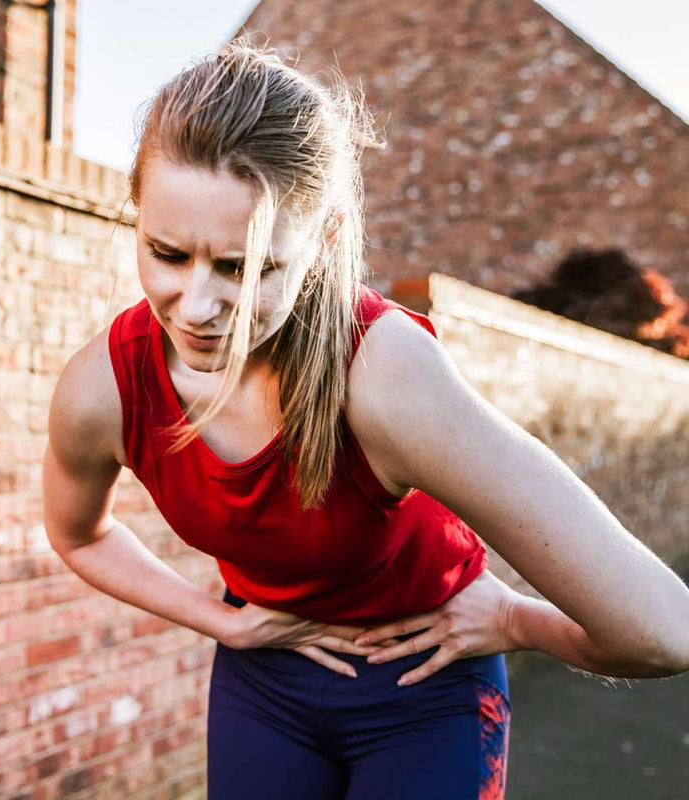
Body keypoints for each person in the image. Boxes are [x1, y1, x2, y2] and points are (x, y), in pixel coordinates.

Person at [42, 37, 689, 799]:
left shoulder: (385, 377)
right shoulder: (105, 386)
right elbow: (78, 532)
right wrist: (222, 622)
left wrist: (517, 621)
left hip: (428, 692)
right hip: (264, 686)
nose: (200, 305)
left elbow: (660, 629)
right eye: (167, 252)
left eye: (245, 267)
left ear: (325, 244)